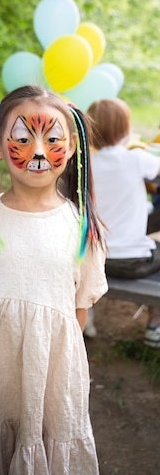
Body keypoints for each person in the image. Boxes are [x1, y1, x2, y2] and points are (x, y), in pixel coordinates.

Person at [0, 86, 108, 475]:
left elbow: (78, 311)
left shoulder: (81, 227)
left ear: (70, 147)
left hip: (54, 375)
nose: (38, 152)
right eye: (22, 138)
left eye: (52, 139)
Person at [87, 97, 160, 347]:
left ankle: (87, 312)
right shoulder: (137, 158)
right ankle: (155, 325)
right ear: (125, 130)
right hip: (134, 262)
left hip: (94, 262)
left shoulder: (88, 165)